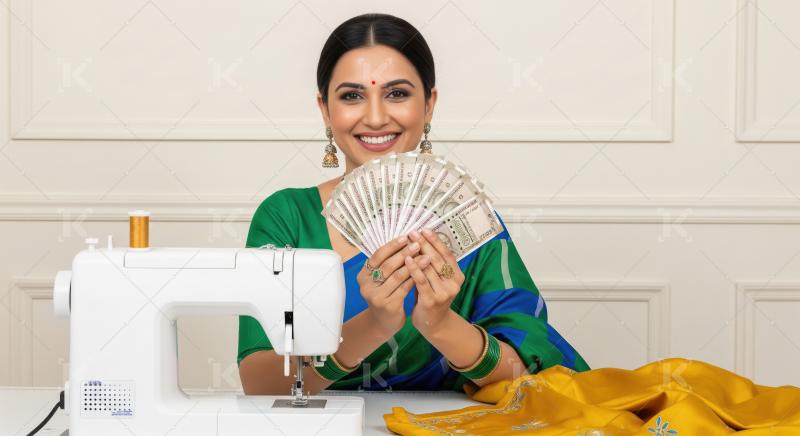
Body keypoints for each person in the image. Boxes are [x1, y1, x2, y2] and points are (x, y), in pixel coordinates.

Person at [237, 13, 589, 395]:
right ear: (325, 109)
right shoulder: (287, 217)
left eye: (397, 94)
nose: (375, 117)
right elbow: (260, 383)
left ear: (429, 104)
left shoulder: (471, 223)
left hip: (444, 422)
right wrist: (374, 325)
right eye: (352, 96)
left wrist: (440, 324)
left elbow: (527, 379)